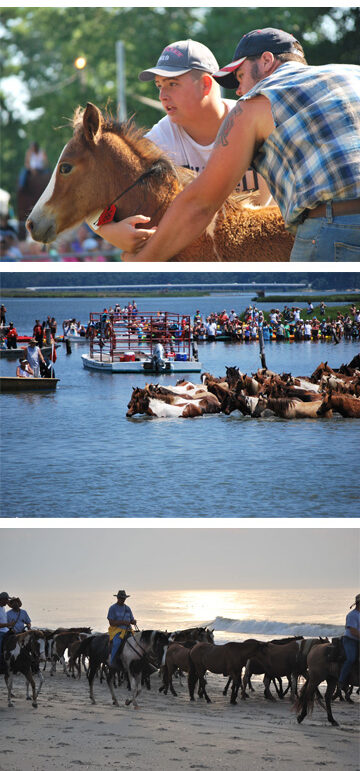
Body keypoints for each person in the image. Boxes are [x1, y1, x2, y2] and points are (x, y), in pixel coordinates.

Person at [132, 27, 360, 263]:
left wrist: (140, 263)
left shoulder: (257, 101)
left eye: (240, 76)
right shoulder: (353, 73)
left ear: (266, 61)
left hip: (336, 225)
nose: (239, 91)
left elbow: (200, 204)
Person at [89, 38, 272, 253]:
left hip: (270, 245)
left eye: (172, 84)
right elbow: (93, 192)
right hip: (209, 261)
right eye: (159, 85)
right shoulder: (160, 139)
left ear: (205, 84)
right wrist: (107, 230)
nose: (162, 95)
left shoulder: (253, 119)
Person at [107, 590, 136, 667]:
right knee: (117, 643)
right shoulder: (112, 608)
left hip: (128, 630)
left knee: (137, 642)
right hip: (117, 631)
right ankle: (112, 661)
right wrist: (123, 622)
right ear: (118, 598)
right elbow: (111, 623)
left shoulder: (127, 608)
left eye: (124, 598)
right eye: (121, 598)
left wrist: (133, 621)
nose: (123, 600)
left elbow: (131, 619)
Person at [338, 593, 360, 692]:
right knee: (351, 659)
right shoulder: (352, 615)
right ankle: (341, 681)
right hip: (350, 640)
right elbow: (353, 631)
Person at [0, 592, 15, 661]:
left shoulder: (3, 608)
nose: (7, 602)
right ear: (2, 599)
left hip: (5, 631)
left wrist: (10, 627)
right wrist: (9, 624)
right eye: (6, 600)